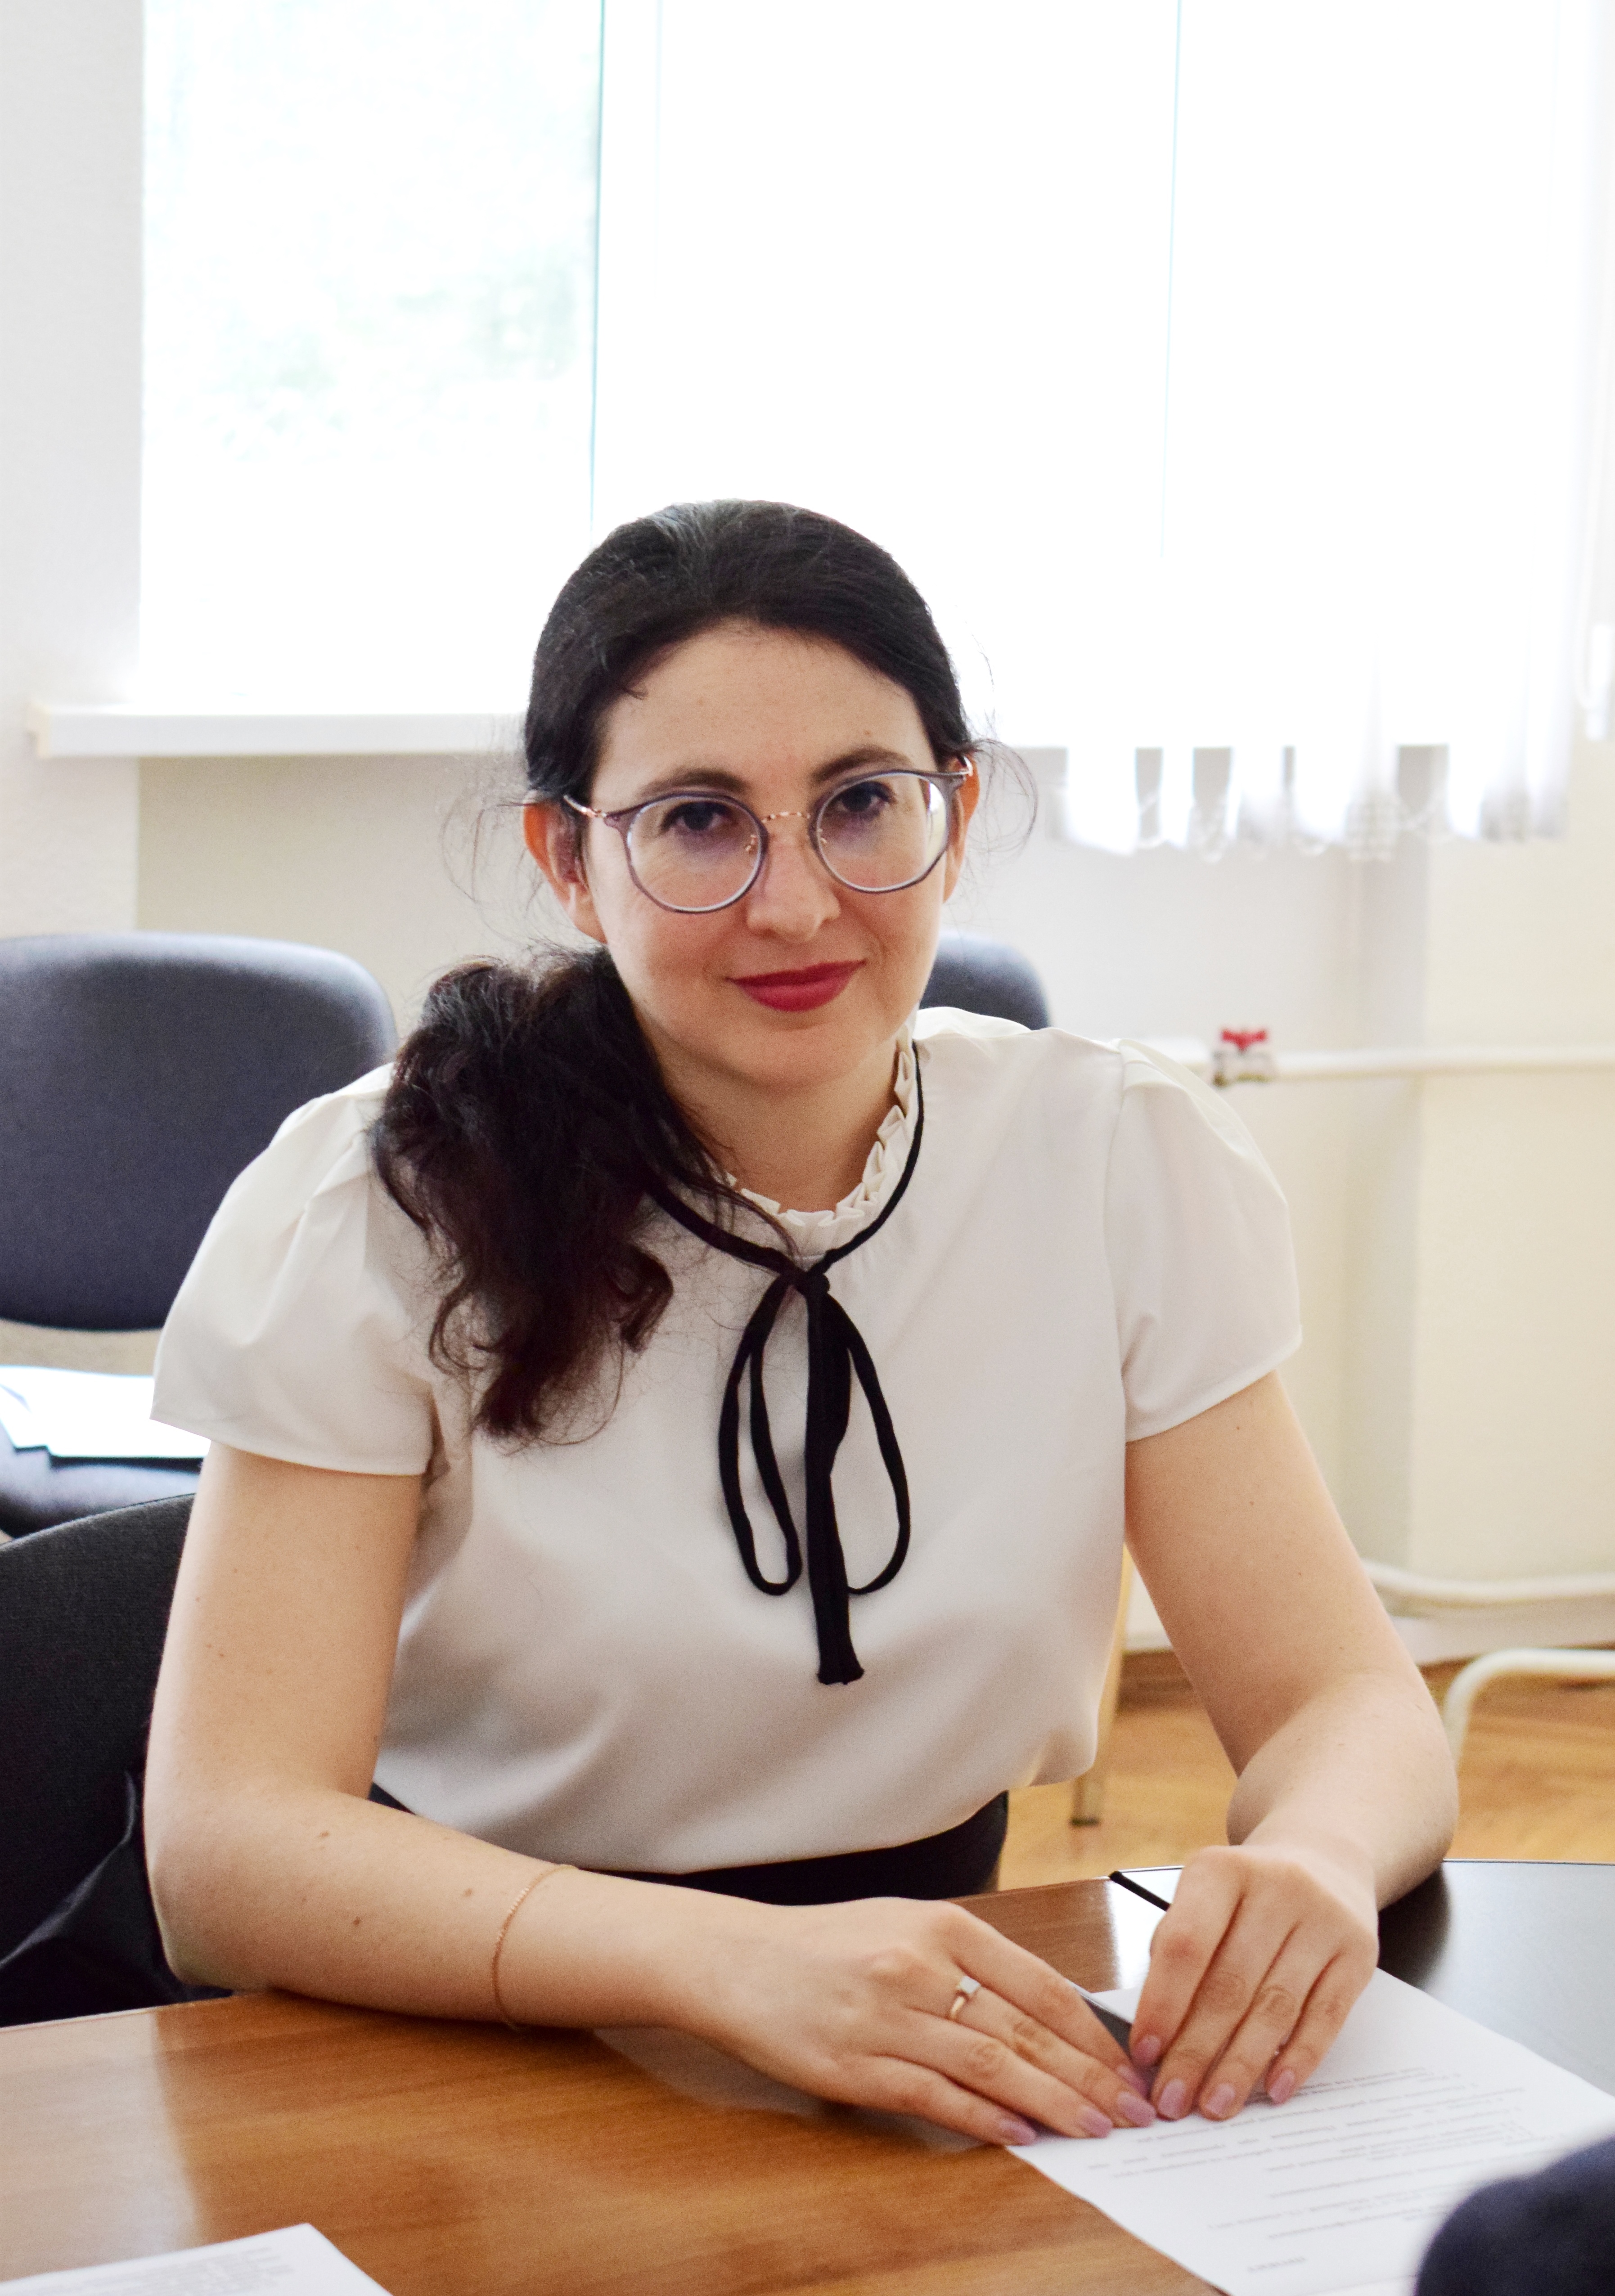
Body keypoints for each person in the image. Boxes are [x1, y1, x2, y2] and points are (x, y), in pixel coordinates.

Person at [144, 499, 1456, 2151]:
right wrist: (719, 1965)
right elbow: (226, 1849)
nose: (797, 903)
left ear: (953, 817)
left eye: (860, 804)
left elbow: (1348, 1702)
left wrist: (1315, 1857)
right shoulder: (383, 1201)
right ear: (570, 858)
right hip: (459, 2026)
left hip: (924, 2031)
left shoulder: (1114, 1157)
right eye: (700, 822)